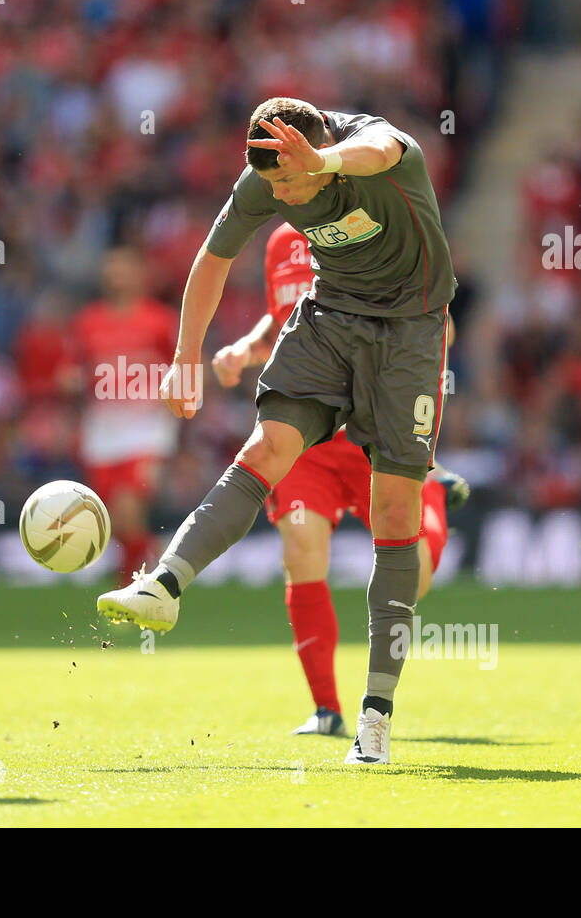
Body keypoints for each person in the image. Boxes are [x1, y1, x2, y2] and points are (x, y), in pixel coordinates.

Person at [97, 97, 456, 765]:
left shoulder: (373, 147)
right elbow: (213, 259)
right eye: (273, 183)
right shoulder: (266, 175)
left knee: (394, 510)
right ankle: (165, 584)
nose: (281, 195)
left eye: (292, 181)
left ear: (317, 153)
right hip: (329, 316)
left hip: (410, 331)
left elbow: (377, 152)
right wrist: (185, 357)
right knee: (268, 446)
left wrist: (322, 162)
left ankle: (375, 712)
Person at [213, 222, 467, 736]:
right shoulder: (281, 239)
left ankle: (431, 490)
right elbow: (289, 316)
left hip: (375, 427)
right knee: (301, 550)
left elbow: (441, 322)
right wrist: (247, 347)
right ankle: (326, 710)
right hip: (306, 434)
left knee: (412, 578)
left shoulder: (369, 218)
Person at [64, 248, 178, 585]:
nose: (117, 277)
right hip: (103, 430)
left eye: (124, 270)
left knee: (129, 508)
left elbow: (183, 368)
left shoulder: (161, 320)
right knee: (113, 518)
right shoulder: (88, 321)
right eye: (111, 270)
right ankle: (150, 567)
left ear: (140, 275)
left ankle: (131, 586)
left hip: (147, 429)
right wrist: (70, 380)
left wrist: (177, 415)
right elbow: (72, 368)